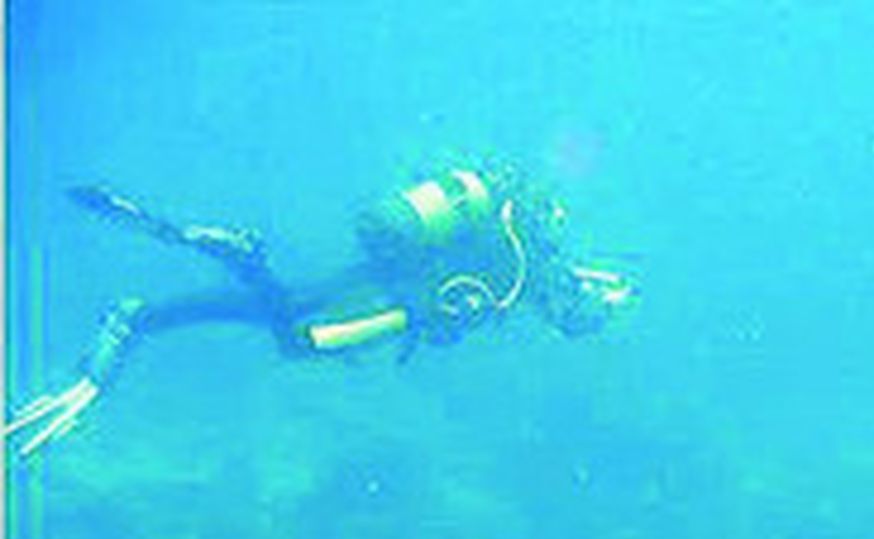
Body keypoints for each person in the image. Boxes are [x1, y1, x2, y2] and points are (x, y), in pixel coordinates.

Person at [4, 162, 635, 455]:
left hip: (389, 275)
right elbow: (528, 309)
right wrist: (603, 308)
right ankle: (227, 266)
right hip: (405, 302)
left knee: (291, 304)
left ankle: (151, 310)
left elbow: (549, 291)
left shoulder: (509, 243)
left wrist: (593, 291)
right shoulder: (517, 268)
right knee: (295, 338)